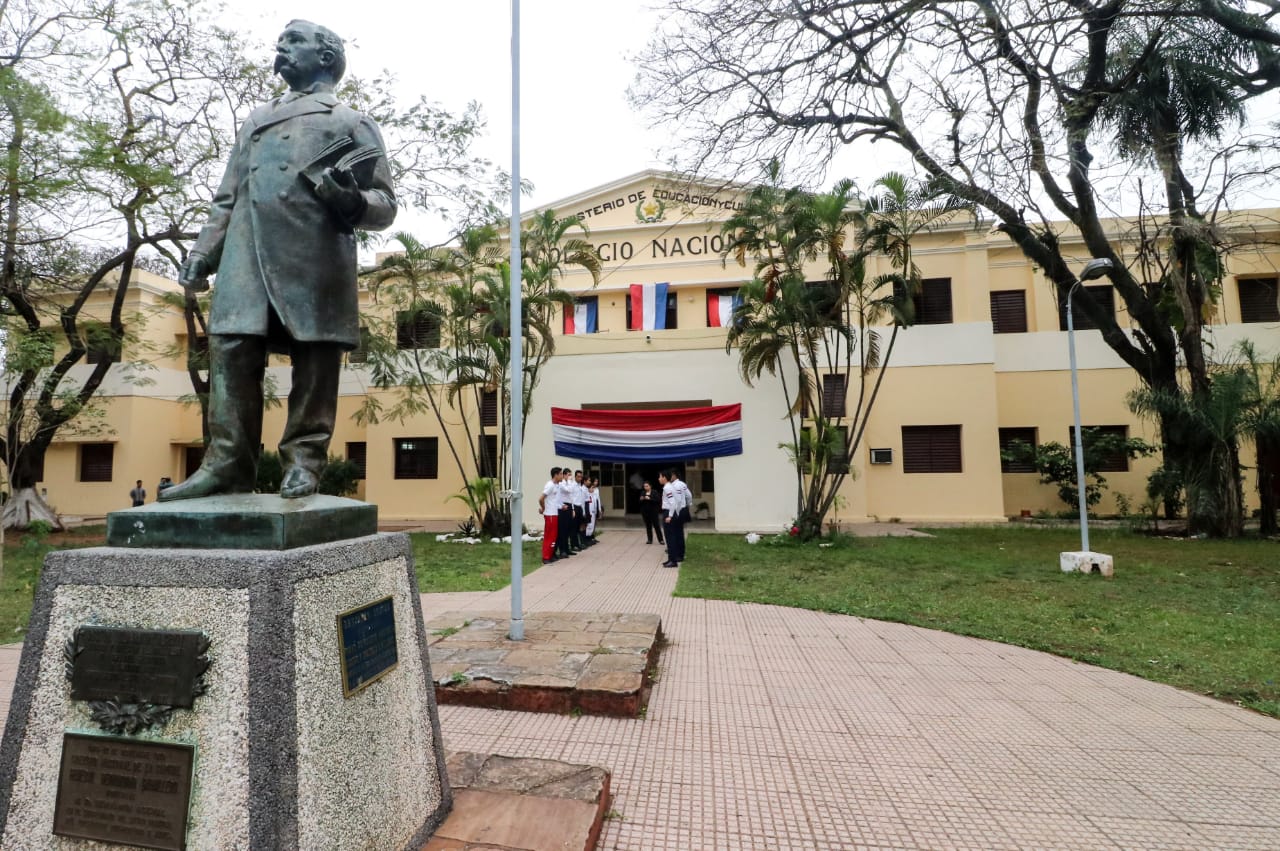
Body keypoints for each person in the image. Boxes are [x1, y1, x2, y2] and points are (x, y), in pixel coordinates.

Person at [161, 19, 395, 502]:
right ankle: (227, 464)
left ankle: (304, 462)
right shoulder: (256, 120)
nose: (280, 49)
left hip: (315, 261)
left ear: (326, 57)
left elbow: (385, 205)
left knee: (314, 359)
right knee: (231, 352)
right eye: (279, 42)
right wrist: (204, 253)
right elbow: (227, 198)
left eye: (293, 42)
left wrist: (351, 200)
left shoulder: (350, 122)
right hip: (246, 261)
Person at [538, 467, 563, 565]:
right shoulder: (550, 485)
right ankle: (545, 557)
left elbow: (555, 500)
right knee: (549, 536)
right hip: (550, 515)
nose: (562, 476)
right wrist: (544, 508)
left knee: (553, 536)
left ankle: (550, 555)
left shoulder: (556, 485)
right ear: (555, 475)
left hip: (554, 513)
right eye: (560, 474)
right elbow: (541, 499)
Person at [659, 469, 684, 568]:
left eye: (660, 477)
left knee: (670, 538)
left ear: (664, 478)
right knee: (670, 537)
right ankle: (670, 559)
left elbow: (673, 503)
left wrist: (670, 515)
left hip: (668, 513)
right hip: (670, 512)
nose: (659, 479)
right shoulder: (669, 487)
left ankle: (673, 561)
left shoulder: (667, 488)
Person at [638, 481, 664, 545]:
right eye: (644, 486)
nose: (645, 487)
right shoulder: (643, 492)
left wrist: (649, 498)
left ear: (650, 486)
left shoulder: (654, 492)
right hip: (645, 512)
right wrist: (641, 499)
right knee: (648, 526)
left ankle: (661, 540)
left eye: (647, 486)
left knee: (656, 526)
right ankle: (650, 540)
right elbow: (640, 502)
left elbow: (658, 500)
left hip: (653, 512)